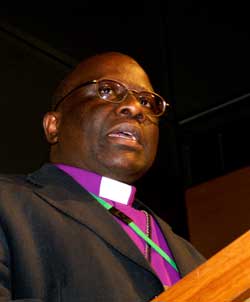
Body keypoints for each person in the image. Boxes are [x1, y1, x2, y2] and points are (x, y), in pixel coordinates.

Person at [0, 51, 205, 302]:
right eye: (107, 91)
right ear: (54, 125)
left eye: (148, 102)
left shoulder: (192, 256)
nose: (135, 108)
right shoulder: (8, 203)